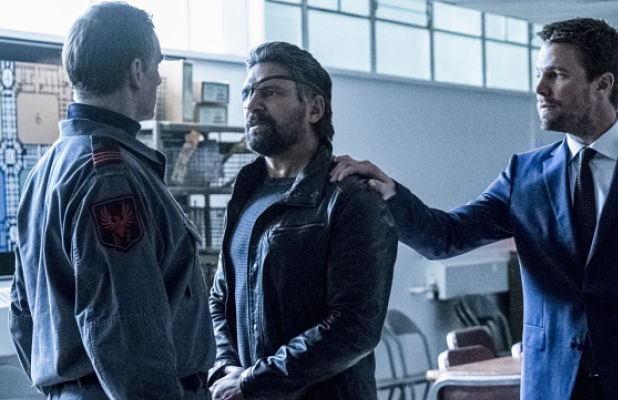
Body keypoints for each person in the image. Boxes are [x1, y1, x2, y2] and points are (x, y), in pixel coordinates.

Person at [330, 18, 618, 400]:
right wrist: (390, 195)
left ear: (602, 84)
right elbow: (443, 237)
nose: (540, 87)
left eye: (558, 74)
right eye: (539, 73)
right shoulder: (525, 175)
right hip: (552, 387)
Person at [9, 2, 215, 399]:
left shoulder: (46, 169)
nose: (159, 78)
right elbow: (126, 328)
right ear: (136, 71)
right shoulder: (110, 178)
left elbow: (23, 314)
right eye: (157, 65)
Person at [206, 41, 398, 400]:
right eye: (247, 92)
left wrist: (253, 381)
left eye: (270, 91)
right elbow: (219, 298)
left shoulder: (351, 200)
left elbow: (354, 327)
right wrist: (227, 367)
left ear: (314, 109)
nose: (252, 104)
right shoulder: (245, 193)